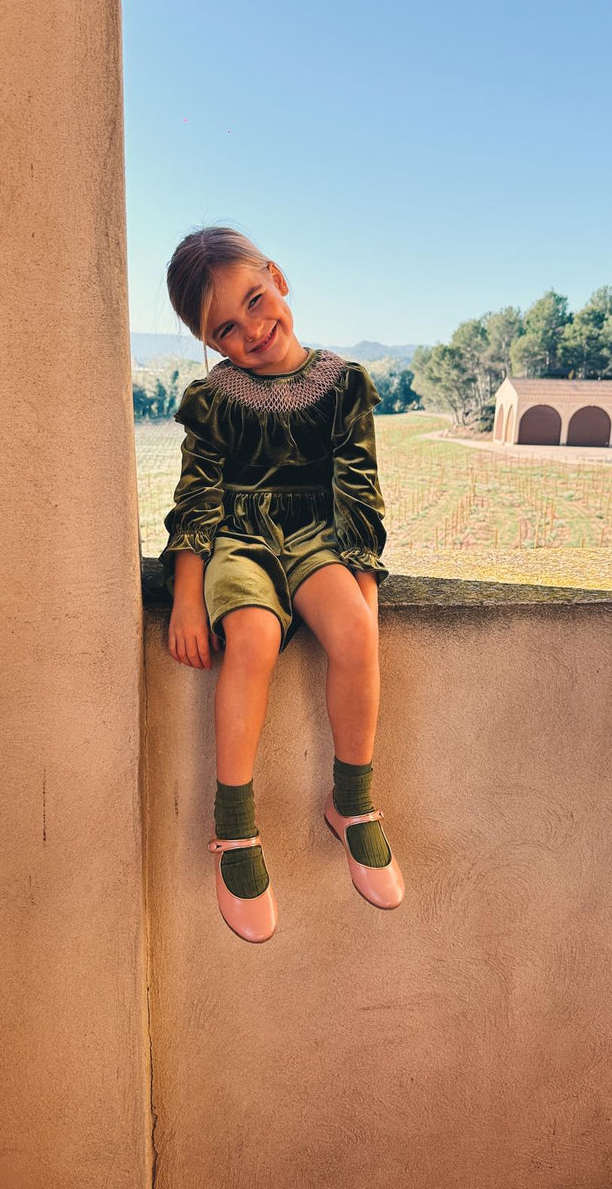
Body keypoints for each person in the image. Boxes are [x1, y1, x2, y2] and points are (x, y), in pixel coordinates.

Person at [158, 226, 405, 943]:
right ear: (209, 342)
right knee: (254, 636)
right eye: (224, 329)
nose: (252, 329)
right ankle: (234, 826)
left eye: (257, 300)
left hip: (316, 537)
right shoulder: (217, 398)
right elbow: (199, 496)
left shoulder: (344, 385)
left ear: (279, 277)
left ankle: (351, 802)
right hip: (238, 538)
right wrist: (185, 594)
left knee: (357, 632)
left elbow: (359, 489)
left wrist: (365, 588)